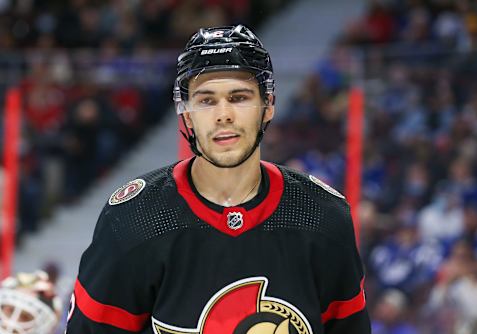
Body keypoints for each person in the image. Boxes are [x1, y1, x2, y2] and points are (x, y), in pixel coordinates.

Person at [65, 25, 371, 333]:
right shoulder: (134, 219)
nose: (223, 114)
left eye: (238, 97)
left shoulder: (323, 216)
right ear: (186, 114)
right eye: (207, 100)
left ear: (268, 106)